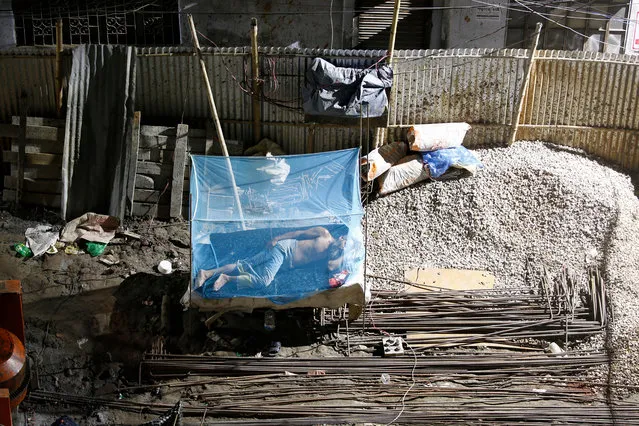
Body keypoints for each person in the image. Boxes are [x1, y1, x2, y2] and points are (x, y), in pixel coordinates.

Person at [195, 226, 346, 292]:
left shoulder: (332, 254)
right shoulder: (323, 233)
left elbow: (332, 267)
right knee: (264, 281)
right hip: (283, 249)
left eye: (345, 247)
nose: (342, 247)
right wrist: (276, 238)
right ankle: (227, 278)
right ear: (340, 237)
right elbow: (298, 233)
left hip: (285, 263)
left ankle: (206, 273)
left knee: (245, 265)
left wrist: (340, 252)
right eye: (343, 242)